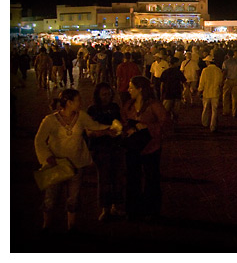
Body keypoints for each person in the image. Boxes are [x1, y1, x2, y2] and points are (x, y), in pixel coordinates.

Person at [34, 89, 115, 231]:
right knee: (51, 198)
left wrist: (109, 129)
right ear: (69, 103)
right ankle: (46, 225)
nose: (81, 103)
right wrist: (48, 158)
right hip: (57, 165)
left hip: (77, 165)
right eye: (78, 100)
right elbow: (39, 141)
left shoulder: (81, 116)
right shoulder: (50, 121)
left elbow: (94, 126)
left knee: (73, 198)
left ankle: (71, 226)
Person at [121, 76, 172, 220]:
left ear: (140, 89)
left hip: (151, 147)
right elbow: (123, 121)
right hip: (133, 147)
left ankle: (151, 210)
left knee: (152, 178)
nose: (128, 89)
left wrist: (147, 127)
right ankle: (133, 209)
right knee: (132, 178)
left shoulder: (153, 105)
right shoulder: (128, 105)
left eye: (131, 87)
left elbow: (166, 123)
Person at [86, 83, 125, 221]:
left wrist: (120, 129)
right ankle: (105, 208)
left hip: (116, 146)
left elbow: (120, 121)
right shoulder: (92, 110)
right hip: (100, 148)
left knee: (117, 177)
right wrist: (105, 132)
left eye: (109, 94)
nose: (107, 97)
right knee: (104, 178)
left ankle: (116, 205)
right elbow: (89, 131)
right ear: (98, 95)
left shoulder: (114, 107)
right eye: (104, 94)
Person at [198, 55, 223, 131]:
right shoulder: (218, 70)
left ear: (208, 62)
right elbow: (220, 82)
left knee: (205, 109)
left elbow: (202, 82)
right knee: (214, 110)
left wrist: (200, 90)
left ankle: (205, 123)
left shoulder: (205, 70)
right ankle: (213, 126)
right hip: (215, 92)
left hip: (206, 92)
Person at [160, 57, 186, 122]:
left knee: (166, 111)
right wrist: (185, 92)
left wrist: (161, 93)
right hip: (177, 93)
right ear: (175, 63)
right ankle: (174, 123)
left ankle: (167, 124)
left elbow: (162, 84)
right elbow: (184, 82)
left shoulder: (165, 72)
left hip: (167, 93)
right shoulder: (178, 72)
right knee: (176, 111)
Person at [221, 50, 237, 116]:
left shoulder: (225, 62)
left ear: (228, 55)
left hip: (228, 80)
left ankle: (226, 111)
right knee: (235, 97)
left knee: (226, 96)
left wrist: (222, 80)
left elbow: (224, 72)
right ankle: (234, 112)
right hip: (236, 80)